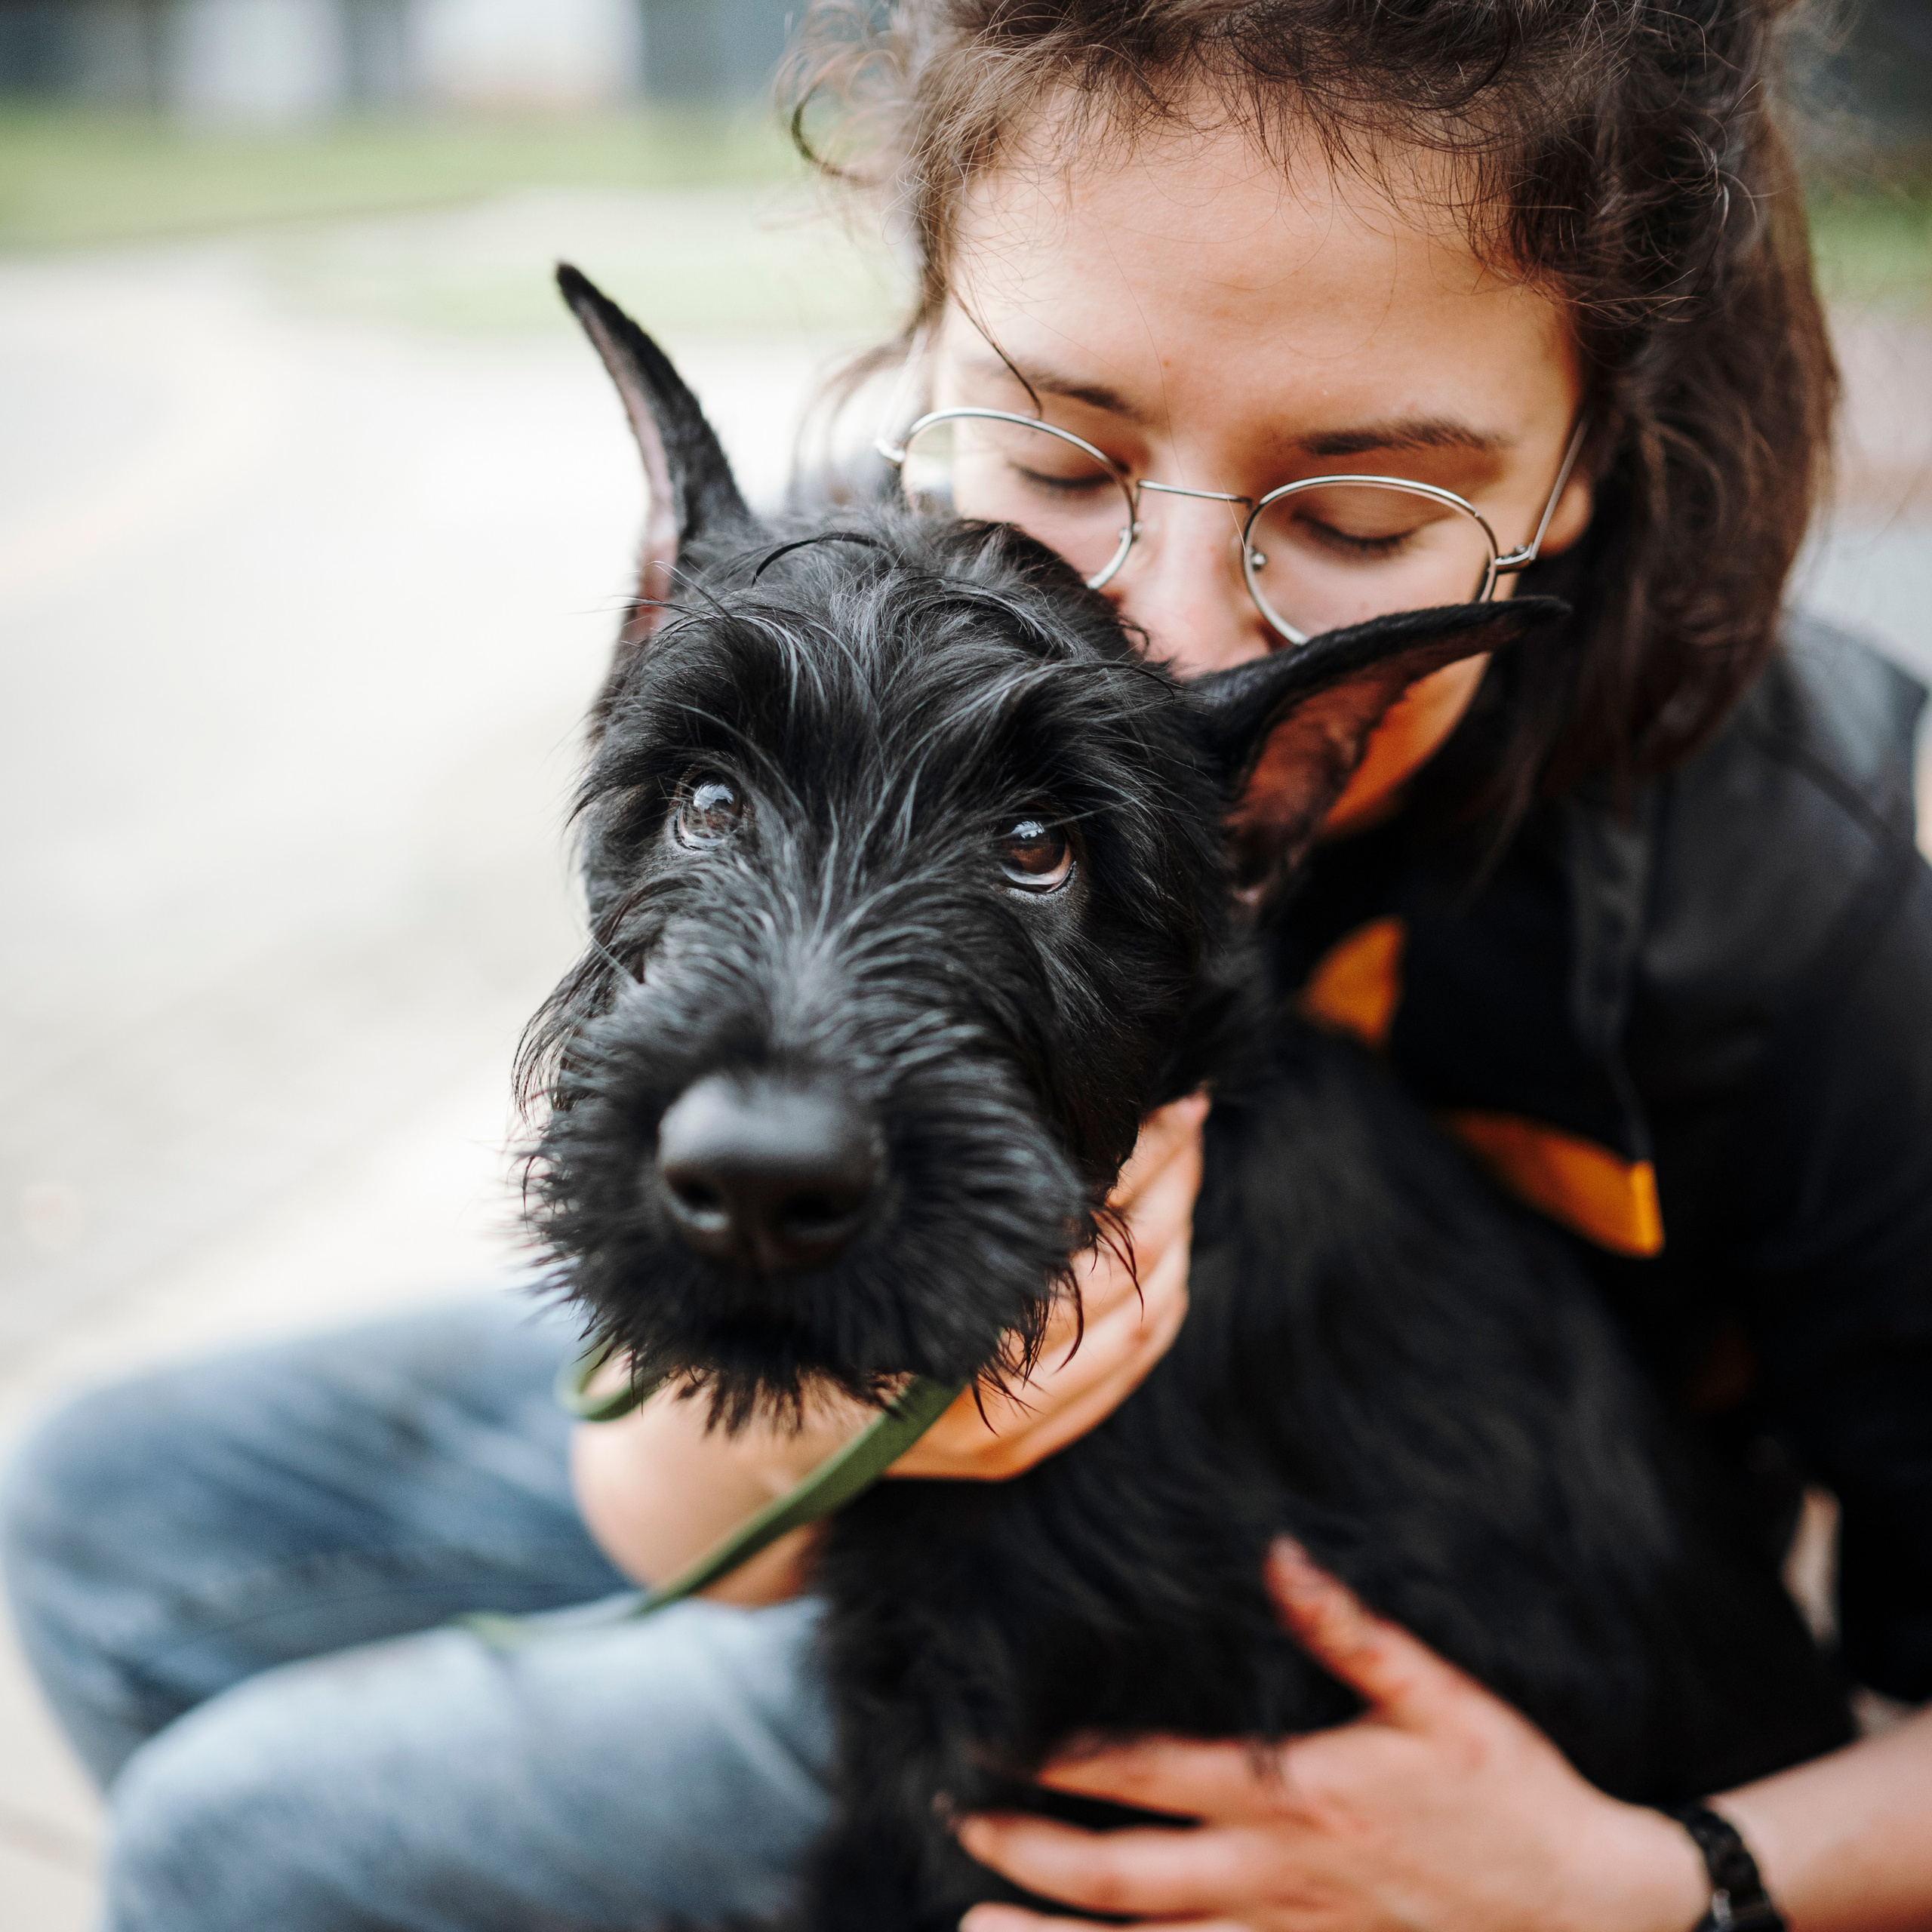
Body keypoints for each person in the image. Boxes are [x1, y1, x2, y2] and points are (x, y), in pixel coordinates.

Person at [5, 2, 1927, 1927]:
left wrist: (1648, 1880)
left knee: (239, 1838)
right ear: (927, 342)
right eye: (1059, 453)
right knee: (103, 1501)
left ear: (1586, 458)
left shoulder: (1820, 900)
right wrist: (798, 1433)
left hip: (1304, 1680)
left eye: (1358, 512)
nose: (1169, 628)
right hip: (881, 1410)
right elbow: (667, 1483)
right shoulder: (835, 566)